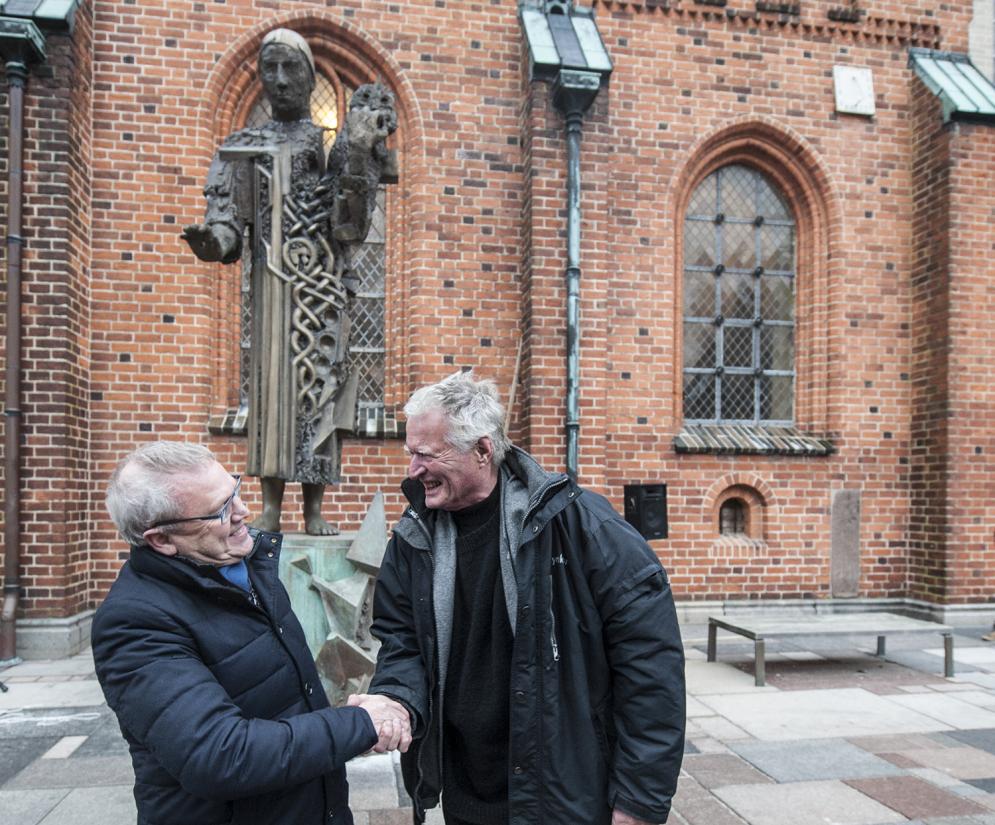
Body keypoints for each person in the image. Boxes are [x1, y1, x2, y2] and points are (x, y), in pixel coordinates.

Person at [352, 372, 686, 825]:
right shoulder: (414, 539)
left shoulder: (582, 529)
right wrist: (395, 699)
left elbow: (651, 672)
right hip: (466, 789)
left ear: (483, 451)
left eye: (426, 455)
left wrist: (639, 802)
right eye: (410, 453)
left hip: (563, 792)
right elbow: (402, 641)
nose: (412, 470)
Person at [91, 441, 411, 825]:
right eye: (221, 510)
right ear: (161, 539)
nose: (243, 512)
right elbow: (219, 755)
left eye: (236, 491)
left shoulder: (245, 565)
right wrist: (359, 724)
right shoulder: (133, 622)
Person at [182, 29, 395, 536]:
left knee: (320, 388)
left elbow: (349, 221)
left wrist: (361, 153)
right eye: (269, 70)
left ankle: (315, 507)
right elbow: (227, 221)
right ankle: (272, 505)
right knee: (272, 391)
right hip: (272, 286)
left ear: (309, 77)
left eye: (290, 69)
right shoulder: (242, 147)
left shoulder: (325, 143)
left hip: (320, 283)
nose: (278, 80)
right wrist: (214, 240)